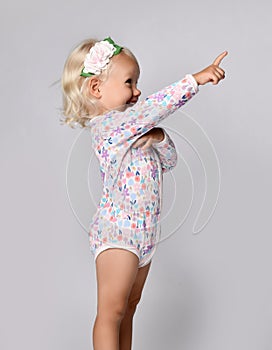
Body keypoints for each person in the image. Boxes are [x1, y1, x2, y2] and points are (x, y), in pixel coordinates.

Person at [61, 36, 227, 350]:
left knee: (129, 309)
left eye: (137, 82)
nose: (137, 91)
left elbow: (170, 161)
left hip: (146, 235)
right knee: (112, 311)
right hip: (118, 233)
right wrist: (195, 80)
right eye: (129, 82)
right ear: (97, 89)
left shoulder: (135, 127)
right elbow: (152, 108)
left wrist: (159, 136)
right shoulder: (109, 126)